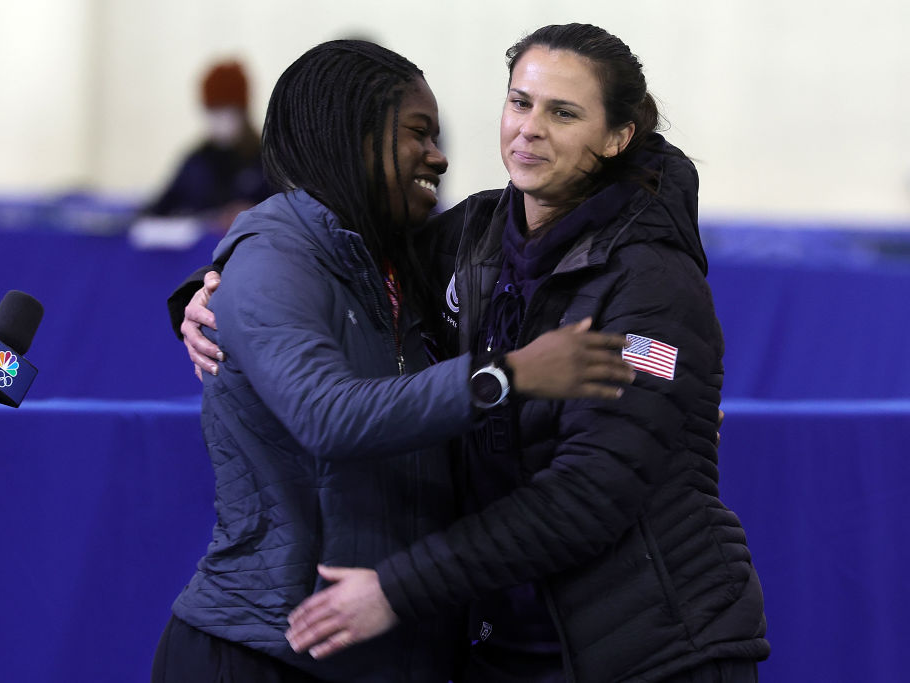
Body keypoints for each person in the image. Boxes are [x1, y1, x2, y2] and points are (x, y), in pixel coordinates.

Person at [182, 23, 770, 682]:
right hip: (509, 648)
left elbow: (587, 496)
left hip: (651, 653)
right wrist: (208, 298)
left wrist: (397, 589)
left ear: (617, 137)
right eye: (520, 102)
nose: (529, 128)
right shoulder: (473, 235)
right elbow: (333, 269)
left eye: (563, 112)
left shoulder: (652, 283)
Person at [130, 60, 273, 248]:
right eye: (212, 110)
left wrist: (253, 213)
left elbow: (288, 211)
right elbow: (159, 207)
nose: (219, 118)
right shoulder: (197, 160)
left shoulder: (266, 159)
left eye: (226, 109)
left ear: (242, 111)